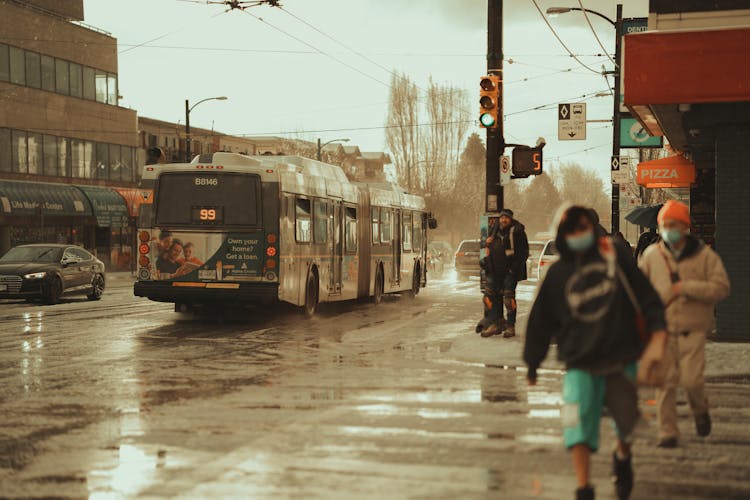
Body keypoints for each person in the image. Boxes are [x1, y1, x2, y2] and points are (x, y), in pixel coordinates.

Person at [524, 206, 666, 500]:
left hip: (620, 357)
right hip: (579, 362)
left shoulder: (616, 258)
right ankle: (583, 487)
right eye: (571, 230)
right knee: (577, 426)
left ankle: (622, 455)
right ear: (563, 235)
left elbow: (646, 297)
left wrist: (657, 337)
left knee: (625, 424)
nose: (578, 235)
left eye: (583, 228)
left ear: (592, 229)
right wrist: (532, 362)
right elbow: (540, 319)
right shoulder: (558, 273)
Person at [638, 200, 730, 448]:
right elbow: (640, 291)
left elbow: (721, 287)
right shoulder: (651, 256)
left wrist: (686, 288)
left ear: (685, 226)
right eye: (665, 225)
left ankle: (700, 411)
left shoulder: (704, 256)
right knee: (664, 383)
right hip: (663, 330)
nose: (669, 229)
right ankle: (667, 432)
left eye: (673, 225)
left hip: (693, 330)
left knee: (692, 381)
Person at [480, 209, 528, 338]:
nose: (503, 220)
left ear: (511, 219)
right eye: (502, 218)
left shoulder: (517, 231)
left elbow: (524, 252)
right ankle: (495, 323)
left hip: (509, 271)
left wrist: (514, 268)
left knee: (508, 298)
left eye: (506, 218)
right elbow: (485, 248)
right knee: (489, 298)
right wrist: (484, 261)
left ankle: (510, 326)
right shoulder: (493, 231)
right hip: (493, 270)